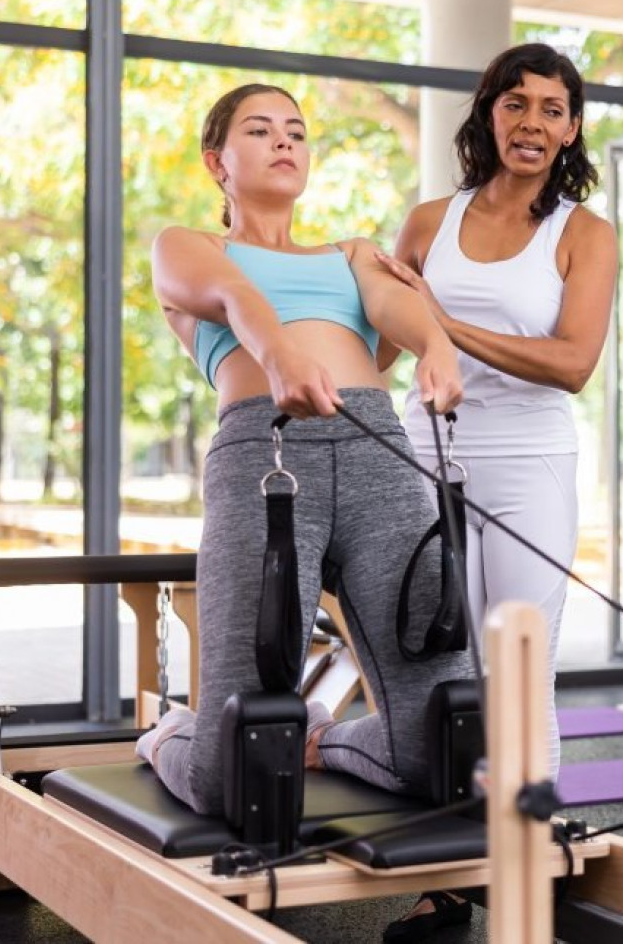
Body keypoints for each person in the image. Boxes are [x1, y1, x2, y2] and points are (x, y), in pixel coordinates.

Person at [137, 83, 470, 818]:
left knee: (445, 744)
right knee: (233, 775)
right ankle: (171, 731)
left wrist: (436, 348)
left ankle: (323, 737)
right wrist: (280, 352)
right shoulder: (187, 246)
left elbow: (399, 311)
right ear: (216, 161)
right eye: (260, 130)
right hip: (265, 456)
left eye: (296, 130)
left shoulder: (350, 254)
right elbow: (232, 297)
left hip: (380, 451)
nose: (285, 141)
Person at [380, 43, 617, 776]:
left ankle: (530, 844)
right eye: (515, 103)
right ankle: (445, 864)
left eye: (552, 109)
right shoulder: (427, 223)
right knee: (438, 664)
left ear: (572, 128)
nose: (531, 122)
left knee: (518, 658)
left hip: (529, 462)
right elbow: (382, 352)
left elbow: (573, 362)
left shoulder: (583, 233)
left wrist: (440, 324)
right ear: (489, 112)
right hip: (426, 457)